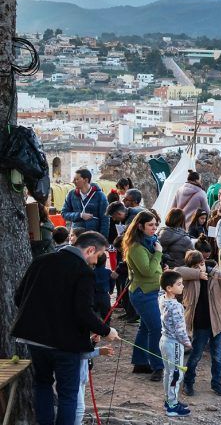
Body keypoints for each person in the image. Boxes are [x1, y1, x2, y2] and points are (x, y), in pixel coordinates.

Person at [13, 231, 119, 425]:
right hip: (65, 345)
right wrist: (106, 330)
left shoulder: (41, 260)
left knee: (42, 384)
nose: (96, 262)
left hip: (35, 338)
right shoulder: (83, 271)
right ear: (90, 250)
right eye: (97, 256)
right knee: (68, 394)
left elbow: (19, 298)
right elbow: (83, 312)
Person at [176, 249, 221, 397]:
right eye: (194, 267)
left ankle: (217, 383)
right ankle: (188, 382)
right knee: (195, 355)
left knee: (217, 356)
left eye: (200, 265)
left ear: (204, 263)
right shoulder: (187, 279)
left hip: (217, 324)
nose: (199, 268)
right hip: (200, 324)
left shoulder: (216, 275)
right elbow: (177, 271)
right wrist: (197, 274)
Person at [123, 210, 165, 381]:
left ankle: (140, 362)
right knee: (155, 329)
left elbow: (153, 268)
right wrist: (159, 253)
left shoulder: (150, 242)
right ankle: (157, 367)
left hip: (151, 291)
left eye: (156, 224)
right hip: (143, 293)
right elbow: (147, 271)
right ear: (140, 226)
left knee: (146, 328)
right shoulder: (136, 247)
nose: (154, 228)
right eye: (150, 225)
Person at [158, 270, 192, 417]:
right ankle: (172, 406)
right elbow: (180, 330)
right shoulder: (176, 306)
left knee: (168, 372)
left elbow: (160, 290)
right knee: (176, 374)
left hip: (164, 341)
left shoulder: (162, 298)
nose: (182, 286)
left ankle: (169, 400)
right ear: (169, 288)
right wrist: (187, 342)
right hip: (174, 343)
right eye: (179, 284)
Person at [61, 168, 109, 238]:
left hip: (93, 236)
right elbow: (64, 213)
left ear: (86, 180)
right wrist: (80, 215)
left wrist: (103, 239)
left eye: (76, 179)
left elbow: (105, 219)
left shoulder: (100, 196)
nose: (73, 181)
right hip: (76, 236)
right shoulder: (71, 194)